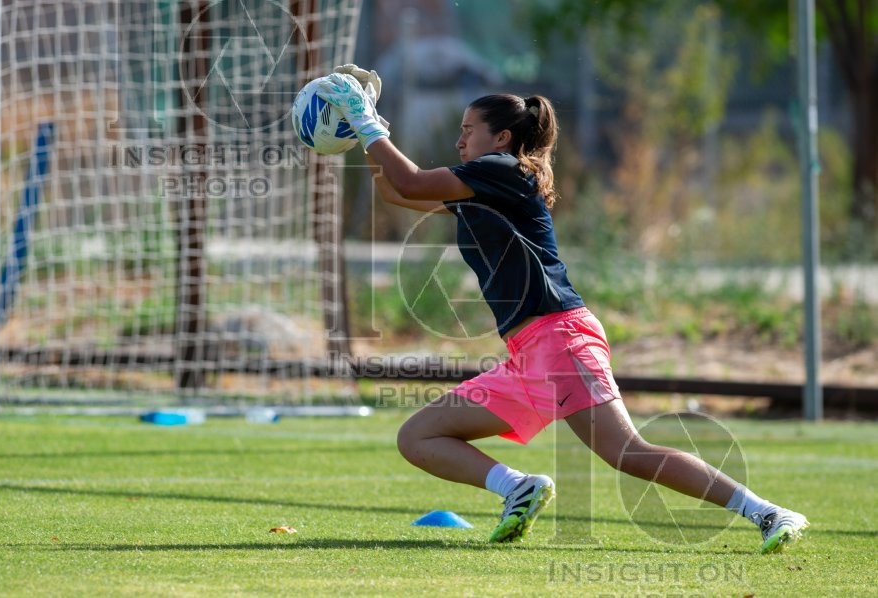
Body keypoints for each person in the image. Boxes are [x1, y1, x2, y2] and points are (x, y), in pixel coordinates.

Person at [317, 65, 809, 553]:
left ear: (502, 138)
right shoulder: (480, 185)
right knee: (419, 436)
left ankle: (766, 512)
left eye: (468, 130)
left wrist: (366, 121)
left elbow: (414, 181)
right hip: (526, 352)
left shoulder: (503, 171)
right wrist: (363, 128)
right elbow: (399, 190)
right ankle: (517, 488)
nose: (458, 140)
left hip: (560, 337)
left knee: (626, 452)